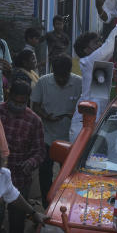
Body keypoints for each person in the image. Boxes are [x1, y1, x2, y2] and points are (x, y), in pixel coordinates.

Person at [0, 81, 45, 233]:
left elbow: (40, 152)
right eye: (15, 101)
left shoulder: (34, 121)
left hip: (20, 179)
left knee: (17, 223)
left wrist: (30, 163)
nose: (18, 106)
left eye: (23, 103)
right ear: (8, 95)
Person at [69, 14, 117, 141]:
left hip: (96, 125)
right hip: (82, 126)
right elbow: (109, 47)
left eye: (100, 41)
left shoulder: (100, 65)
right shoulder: (88, 62)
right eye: (96, 43)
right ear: (86, 50)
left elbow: (115, 45)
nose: (100, 44)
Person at [31, 54, 82, 202]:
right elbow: (36, 106)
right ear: (53, 72)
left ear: (69, 72)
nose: (60, 80)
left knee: (68, 173)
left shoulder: (79, 83)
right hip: (47, 137)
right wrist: (46, 116)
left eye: (64, 76)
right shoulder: (43, 82)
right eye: (58, 76)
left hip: (70, 139)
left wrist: (75, 115)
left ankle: (67, 201)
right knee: (45, 172)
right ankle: (47, 203)